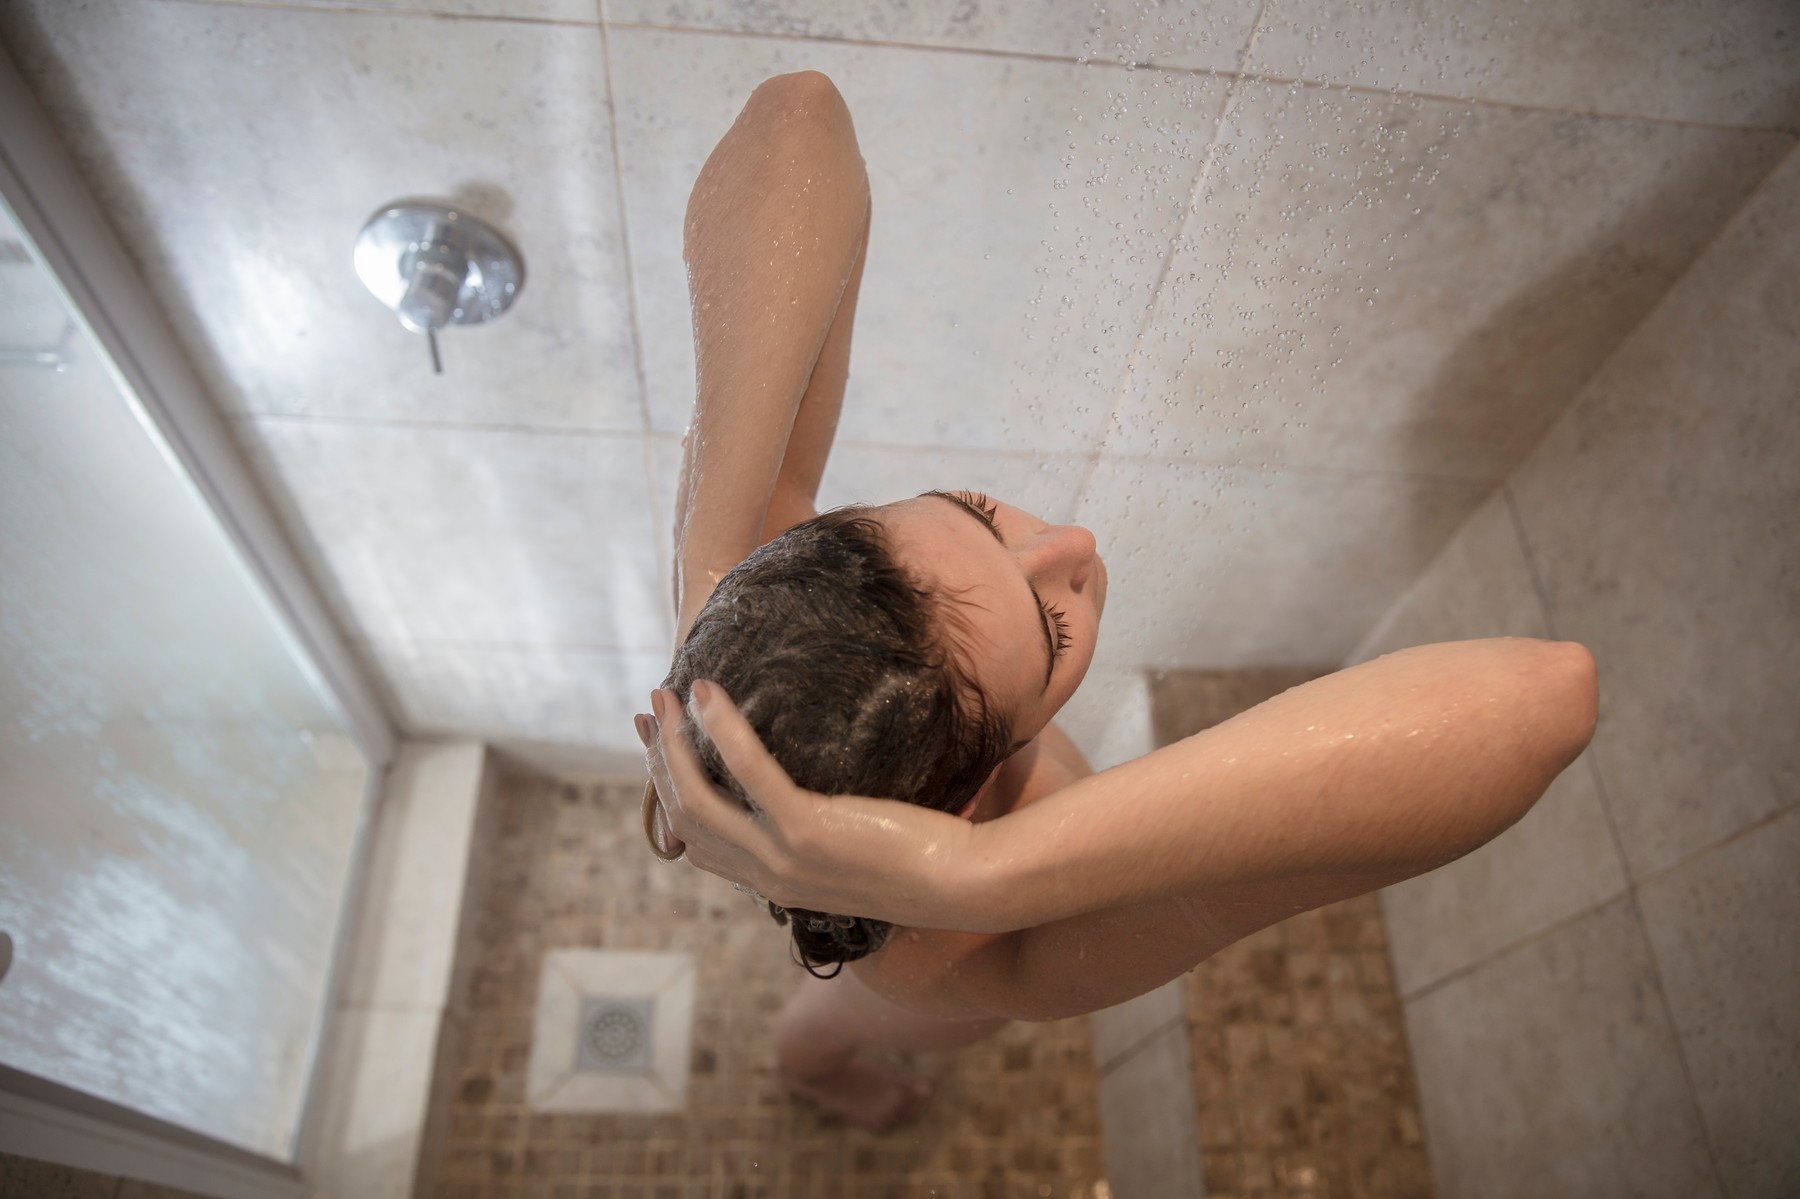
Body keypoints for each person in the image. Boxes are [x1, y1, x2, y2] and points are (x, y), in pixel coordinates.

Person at [636, 70, 1599, 1131]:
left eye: (976, 509)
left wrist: (714, 571)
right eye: (1054, 630)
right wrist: (979, 874)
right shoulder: (974, 950)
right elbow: (1547, 697)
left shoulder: (793, 608)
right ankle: (811, 1071)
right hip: (895, 981)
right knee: (843, 1017)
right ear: (960, 806)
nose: (1075, 544)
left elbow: (799, 116)